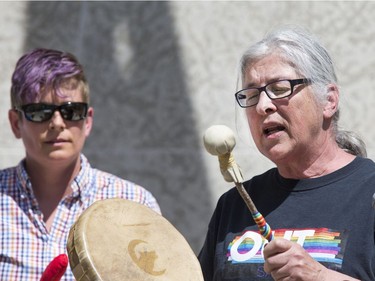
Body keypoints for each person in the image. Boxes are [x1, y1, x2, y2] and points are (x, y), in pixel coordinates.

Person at [198, 26, 375, 281]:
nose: (262, 106)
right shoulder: (235, 204)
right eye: (251, 95)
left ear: (329, 100)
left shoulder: (368, 192)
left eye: (279, 89)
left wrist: (319, 277)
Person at [0, 48, 161, 280]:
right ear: (16, 123)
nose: (57, 123)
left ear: (87, 121)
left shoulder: (134, 203)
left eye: (71, 111)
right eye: (39, 112)